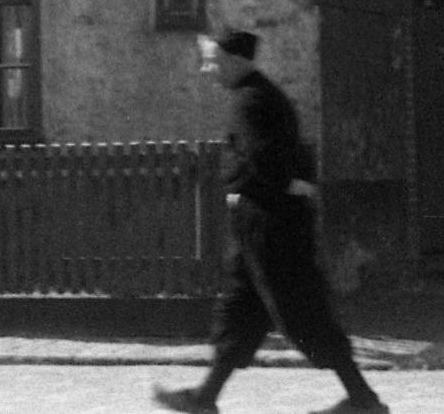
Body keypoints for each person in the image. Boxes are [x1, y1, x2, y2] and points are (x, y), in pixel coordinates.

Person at [153, 30, 386, 414]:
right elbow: (294, 157)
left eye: (212, 61)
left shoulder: (251, 101)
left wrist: (248, 189)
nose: (207, 70)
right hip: (264, 221)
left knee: (302, 309)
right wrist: (293, 185)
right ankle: (205, 397)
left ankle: (363, 400)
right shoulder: (261, 97)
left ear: (235, 61)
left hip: (271, 224)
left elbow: (266, 161)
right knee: (241, 309)